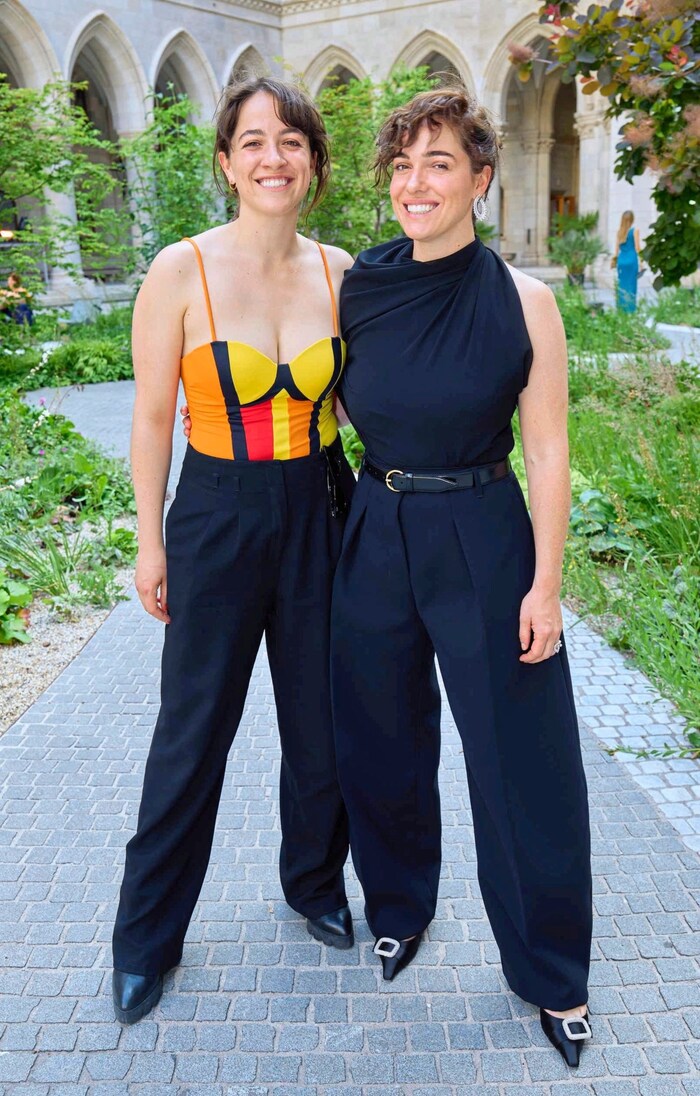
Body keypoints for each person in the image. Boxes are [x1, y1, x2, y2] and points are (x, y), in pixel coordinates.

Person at [330, 86, 593, 1068]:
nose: (415, 182)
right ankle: (396, 907)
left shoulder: (525, 301)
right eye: (402, 164)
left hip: (483, 529)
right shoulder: (358, 287)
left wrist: (545, 585)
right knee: (379, 735)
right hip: (377, 522)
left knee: (521, 760)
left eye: (438, 163)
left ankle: (551, 973)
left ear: (480, 180)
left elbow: (552, 451)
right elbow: (333, 397)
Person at [112, 76, 356, 1025]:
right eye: (254, 141)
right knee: (193, 730)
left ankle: (314, 884)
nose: (273, 158)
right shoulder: (182, 269)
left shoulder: (341, 271)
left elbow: (358, 404)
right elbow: (147, 418)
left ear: (314, 164)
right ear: (226, 162)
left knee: (322, 719)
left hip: (322, 503)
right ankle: (145, 938)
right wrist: (149, 539)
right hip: (215, 511)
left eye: (291, 141)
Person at [612, 210, 640, 312]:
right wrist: (642, 262)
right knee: (631, 285)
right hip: (632, 261)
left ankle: (621, 309)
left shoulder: (619, 232)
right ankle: (630, 309)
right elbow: (637, 248)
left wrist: (614, 262)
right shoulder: (635, 231)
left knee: (622, 285)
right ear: (632, 220)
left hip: (622, 261)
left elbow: (616, 250)